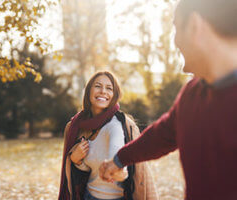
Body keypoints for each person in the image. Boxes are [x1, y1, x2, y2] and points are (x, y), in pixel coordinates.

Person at [99, 0, 237, 200]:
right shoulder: (193, 94)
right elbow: (163, 134)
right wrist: (119, 160)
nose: (175, 41)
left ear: (194, 26)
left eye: (176, 28)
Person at [58, 71, 158, 200]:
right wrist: (75, 160)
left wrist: (117, 169)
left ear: (114, 95)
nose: (103, 91)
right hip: (88, 196)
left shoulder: (119, 125)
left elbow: (118, 154)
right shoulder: (77, 127)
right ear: (89, 91)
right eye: (98, 86)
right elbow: (88, 169)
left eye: (109, 88)